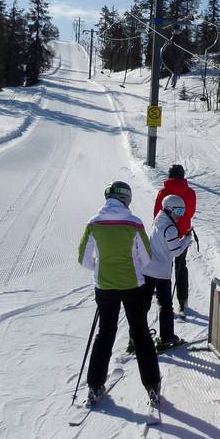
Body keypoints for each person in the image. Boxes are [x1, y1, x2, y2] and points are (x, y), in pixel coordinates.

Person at [77, 180, 161, 410]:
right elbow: (147, 258)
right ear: (126, 199)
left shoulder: (93, 223)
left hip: (105, 287)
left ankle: (95, 385)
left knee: (105, 333)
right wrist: (133, 266)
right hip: (133, 286)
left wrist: (100, 267)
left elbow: (84, 259)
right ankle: (152, 385)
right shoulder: (134, 223)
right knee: (140, 333)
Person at [143, 195, 193, 351]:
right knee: (165, 306)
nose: (180, 215)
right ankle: (167, 338)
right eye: (178, 211)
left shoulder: (158, 219)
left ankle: (136, 337)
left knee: (142, 305)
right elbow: (176, 251)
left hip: (147, 269)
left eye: (182, 212)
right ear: (170, 209)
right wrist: (186, 239)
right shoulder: (170, 228)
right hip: (161, 274)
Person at [153, 164, 197, 314]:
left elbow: (157, 213)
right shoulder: (190, 193)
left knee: (165, 265)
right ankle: (182, 301)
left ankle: (163, 299)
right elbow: (190, 213)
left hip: (165, 233)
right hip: (183, 234)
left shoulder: (164, 192)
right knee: (181, 266)